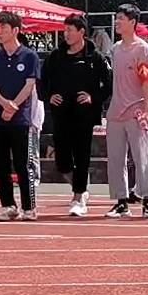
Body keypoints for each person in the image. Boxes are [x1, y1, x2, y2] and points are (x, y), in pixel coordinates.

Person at [41, 14, 112, 216]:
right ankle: (80, 187)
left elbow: (108, 84)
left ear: (81, 32)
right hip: (61, 114)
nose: (66, 34)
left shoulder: (95, 57)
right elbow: (42, 81)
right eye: (65, 30)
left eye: (70, 30)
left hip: (84, 115)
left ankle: (78, 196)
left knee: (82, 155)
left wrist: (93, 97)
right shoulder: (55, 56)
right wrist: (49, 96)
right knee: (62, 161)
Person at [0, 11, 41, 221]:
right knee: (1, 165)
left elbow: (29, 84)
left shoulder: (29, 56)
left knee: (23, 164)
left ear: (15, 30)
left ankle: (29, 207)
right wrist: (3, 103)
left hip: (20, 120)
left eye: (3, 28)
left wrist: (14, 106)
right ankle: (8, 205)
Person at [105, 4, 148, 219]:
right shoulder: (115, 49)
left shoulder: (142, 49)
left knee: (141, 156)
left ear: (133, 22)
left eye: (121, 18)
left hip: (136, 110)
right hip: (116, 111)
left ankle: (146, 200)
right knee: (116, 159)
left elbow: (146, 80)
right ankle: (121, 201)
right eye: (116, 18)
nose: (117, 22)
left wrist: (147, 108)